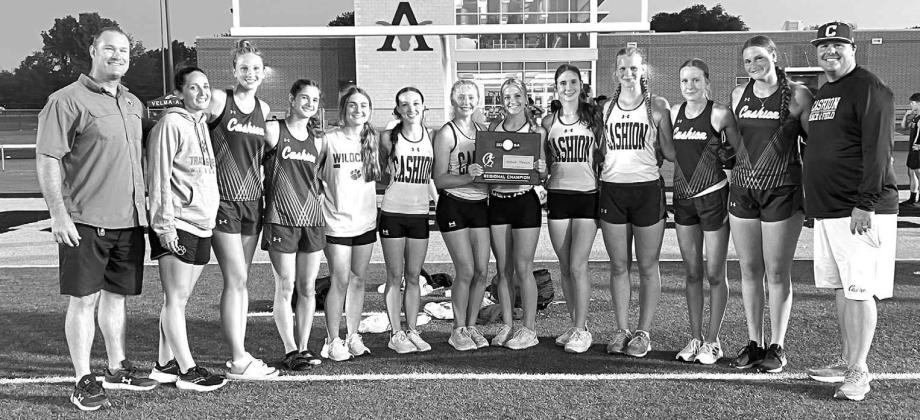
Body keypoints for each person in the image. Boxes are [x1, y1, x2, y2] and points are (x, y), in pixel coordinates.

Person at [36, 27, 158, 411]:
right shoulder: (65, 100)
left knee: (116, 299)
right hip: (85, 220)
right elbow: (49, 158)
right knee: (83, 302)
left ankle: (116, 367)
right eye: (110, 48)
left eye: (124, 50)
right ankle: (82, 378)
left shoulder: (134, 103)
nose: (118, 55)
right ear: (93, 50)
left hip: (129, 221)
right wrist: (58, 214)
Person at [803, 22, 898, 401]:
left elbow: (879, 151)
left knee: (860, 290)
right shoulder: (828, 90)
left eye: (837, 44)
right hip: (831, 209)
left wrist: (866, 203)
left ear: (853, 47)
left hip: (859, 209)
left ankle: (859, 370)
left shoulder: (870, 88)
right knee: (844, 288)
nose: (830, 51)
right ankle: (847, 360)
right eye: (823, 45)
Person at [729, 35, 813, 373]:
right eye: (747, 61)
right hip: (743, 191)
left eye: (759, 58)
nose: (753, 66)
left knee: (777, 272)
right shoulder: (738, 94)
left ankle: (777, 345)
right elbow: (733, 140)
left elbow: (816, 143)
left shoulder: (798, 95)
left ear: (774, 56)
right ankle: (754, 342)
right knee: (749, 270)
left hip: (782, 190)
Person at [147, 67, 226, 391]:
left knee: (180, 299)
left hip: (202, 223)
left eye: (206, 86)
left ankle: (164, 365)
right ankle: (187, 370)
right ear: (180, 92)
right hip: (178, 222)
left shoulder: (201, 125)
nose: (202, 92)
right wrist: (164, 226)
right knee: (175, 300)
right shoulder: (171, 124)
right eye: (194, 87)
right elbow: (159, 177)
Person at [206, 39, 278, 380]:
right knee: (235, 279)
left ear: (264, 74)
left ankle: (240, 352)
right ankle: (238, 359)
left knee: (242, 280)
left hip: (254, 203)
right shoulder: (220, 100)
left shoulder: (264, 109)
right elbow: (187, 119)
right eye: (244, 67)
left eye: (256, 69)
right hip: (223, 201)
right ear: (233, 70)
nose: (250, 73)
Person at [599, 46, 675, 358]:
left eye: (634, 68)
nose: (628, 74)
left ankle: (643, 332)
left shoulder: (656, 106)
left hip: (646, 191)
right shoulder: (605, 109)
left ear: (642, 70)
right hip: (613, 190)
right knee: (618, 266)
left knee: (647, 266)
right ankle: (621, 329)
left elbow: (669, 152)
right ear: (615, 73)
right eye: (623, 69)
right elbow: (601, 150)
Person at [670, 59, 740, 365]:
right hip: (683, 201)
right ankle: (695, 336)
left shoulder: (720, 112)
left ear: (707, 81)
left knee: (714, 273)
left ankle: (713, 341)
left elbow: (740, 155)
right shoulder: (674, 113)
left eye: (696, 80)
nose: (690, 86)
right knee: (692, 272)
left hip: (713, 199)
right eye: (685, 81)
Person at [262, 79, 327, 370]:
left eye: (314, 100)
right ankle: (290, 350)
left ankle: (303, 346)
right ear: (291, 98)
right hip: (281, 219)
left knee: (308, 287)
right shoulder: (274, 130)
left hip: (312, 220)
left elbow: (319, 179)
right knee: (285, 285)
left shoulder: (319, 140)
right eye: (304, 97)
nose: (309, 104)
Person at [541, 64, 600, 354]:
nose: (568, 87)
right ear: (556, 87)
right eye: (563, 82)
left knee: (578, 265)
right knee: (564, 266)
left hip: (587, 195)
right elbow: (540, 162)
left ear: (580, 85)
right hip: (558, 195)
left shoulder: (593, 118)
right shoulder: (547, 121)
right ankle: (577, 325)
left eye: (573, 81)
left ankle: (581, 327)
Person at [486, 78, 547, 350]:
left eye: (517, 95)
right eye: (507, 96)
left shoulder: (537, 131)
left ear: (526, 98)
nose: (512, 101)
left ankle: (529, 329)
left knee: (524, 268)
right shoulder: (492, 129)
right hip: (498, 202)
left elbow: (542, 172)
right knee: (503, 270)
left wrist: (541, 168)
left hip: (525, 201)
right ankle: (508, 325)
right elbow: (487, 166)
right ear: (501, 100)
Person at [320, 86, 380, 361]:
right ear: (343, 109)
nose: (358, 110)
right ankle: (332, 339)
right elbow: (312, 175)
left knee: (358, 280)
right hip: (337, 222)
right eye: (353, 105)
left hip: (366, 222)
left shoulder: (373, 139)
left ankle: (353, 334)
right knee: (339, 280)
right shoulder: (329, 140)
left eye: (363, 106)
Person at [433, 80, 490, 351]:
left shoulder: (484, 131)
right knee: (465, 270)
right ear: (453, 101)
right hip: (454, 205)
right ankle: (457, 329)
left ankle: (471, 326)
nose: (467, 101)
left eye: (471, 97)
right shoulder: (447, 133)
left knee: (481, 271)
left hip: (481, 205)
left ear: (477, 100)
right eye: (461, 97)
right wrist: (469, 177)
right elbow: (440, 179)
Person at [378, 87, 436, 354]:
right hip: (393, 212)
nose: (411, 108)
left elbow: (433, 175)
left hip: (419, 214)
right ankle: (395, 332)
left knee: (414, 276)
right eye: (404, 104)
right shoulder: (389, 137)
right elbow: (379, 173)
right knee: (395, 276)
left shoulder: (433, 137)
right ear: (398, 109)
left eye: (416, 103)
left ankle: (412, 329)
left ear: (424, 106)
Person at [900, 93, 920, 206]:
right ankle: (912, 198)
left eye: (912, 103)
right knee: (911, 172)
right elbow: (903, 127)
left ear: (918, 103)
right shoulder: (915, 117)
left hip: (917, 150)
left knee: (918, 173)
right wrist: (906, 115)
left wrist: (918, 145)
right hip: (913, 150)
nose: (910, 105)